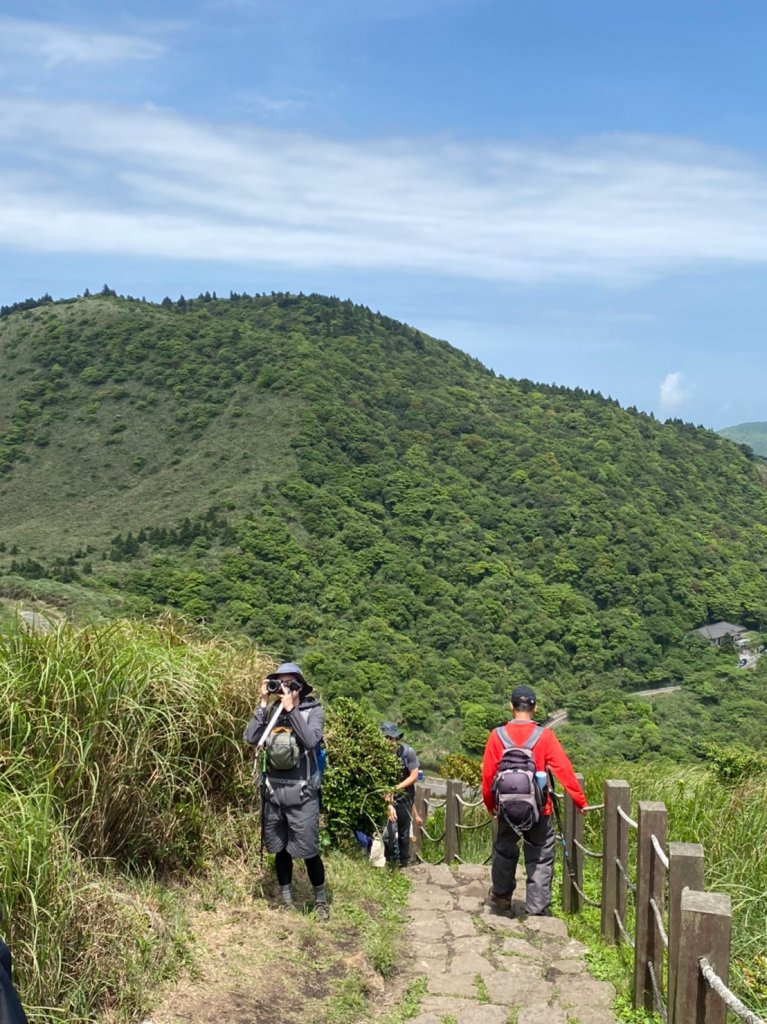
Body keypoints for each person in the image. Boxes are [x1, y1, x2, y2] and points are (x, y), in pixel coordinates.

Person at [481, 685, 586, 917]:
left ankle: (501, 897)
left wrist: (491, 806)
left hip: (507, 807)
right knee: (540, 854)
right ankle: (537, 909)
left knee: (504, 849)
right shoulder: (544, 736)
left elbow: (488, 776)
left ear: (511, 706)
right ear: (534, 708)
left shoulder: (497, 736)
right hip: (539, 807)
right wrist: (580, 801)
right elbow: (564, 770)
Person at [243, 662, 329, 920]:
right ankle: (286, 899)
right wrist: (261, 704)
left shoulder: (313, 712)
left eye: (289, 683)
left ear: (300, 687)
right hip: (273, 793)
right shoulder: (270, 712)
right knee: (279, 849)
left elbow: (311, 740)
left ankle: (321, 902)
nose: (282, 687)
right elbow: (250, 738)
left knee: (309, 850)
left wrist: (291, 710)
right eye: (278, 682)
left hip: (303, 795)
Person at [380, 722, 420, 867]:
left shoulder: (408, 752)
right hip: (387, 796)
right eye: (386, 738)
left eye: (392, 738)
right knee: (389, 831)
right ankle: (392, 862)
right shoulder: (379, 754)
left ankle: (404, 862)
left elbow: (414, 776)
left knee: (403, 832)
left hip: (405, 797)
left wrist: (395, 788)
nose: (390, 741)